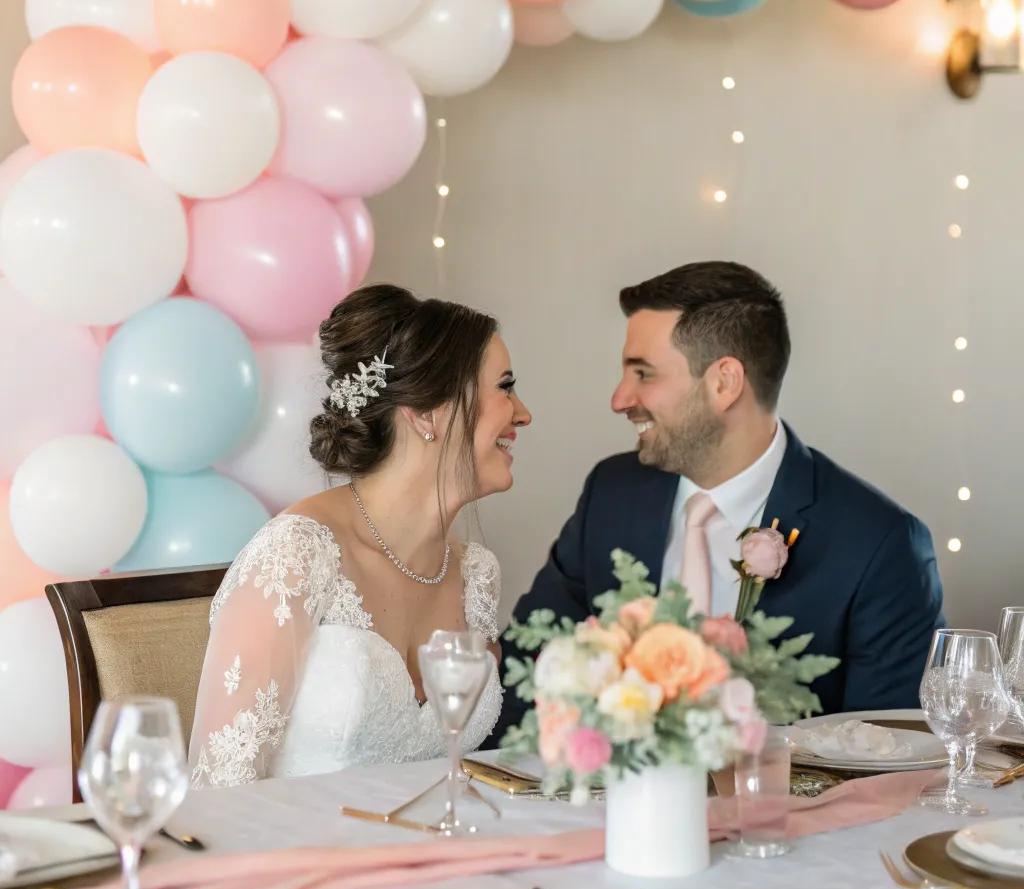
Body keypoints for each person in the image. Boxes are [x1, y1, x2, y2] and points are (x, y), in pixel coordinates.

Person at [503, 261, 943, 727]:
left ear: (724, 383)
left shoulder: (880, 544)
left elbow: (889, 756)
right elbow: (530, 663)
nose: (620, 398)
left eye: (643, 374)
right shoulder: (612, 493)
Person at [189, 284, 531, 787]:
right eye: (504, 386)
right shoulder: (298, 555)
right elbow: (219, 793)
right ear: (426, 412)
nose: (523, 412)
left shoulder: (476, 574)